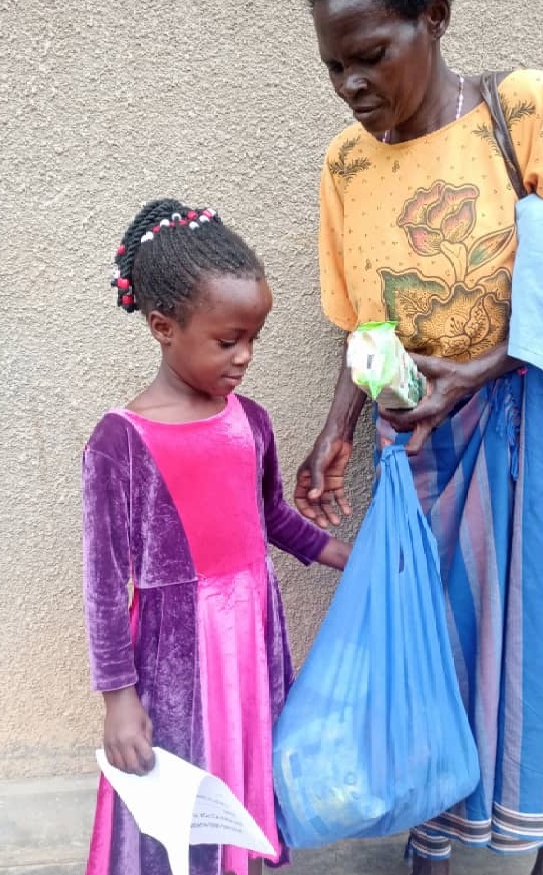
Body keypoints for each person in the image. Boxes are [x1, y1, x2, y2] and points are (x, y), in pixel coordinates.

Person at [295, 0, 543, 875]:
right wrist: (335, 431)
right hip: (419, 448)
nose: (351, 85)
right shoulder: (344, 166)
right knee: (427, 642)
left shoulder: (522, 112)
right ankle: (431, 832)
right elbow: (361, 320)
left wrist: (484, 368)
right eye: (332, 66)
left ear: (433, 17)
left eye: (369, 54)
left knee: (539, 639)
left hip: (529, 428)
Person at [82, 198, 350, 875]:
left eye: (253, 337)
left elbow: (272, 520)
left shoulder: (250, 421)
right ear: (163, 326)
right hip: (175, 654)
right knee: (183, 795)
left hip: (250, 640)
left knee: (242, 771)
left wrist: (344, 555)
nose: (244, 356)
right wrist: (119, 697)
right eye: (227, 339)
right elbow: (103, 585)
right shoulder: (122, 440)